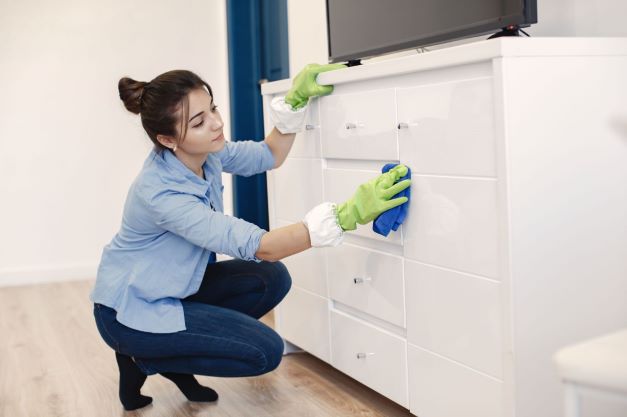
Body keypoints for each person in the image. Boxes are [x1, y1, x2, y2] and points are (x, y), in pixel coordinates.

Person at [90, 63, 411, 410]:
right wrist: (348, 215)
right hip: (130, 311)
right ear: (167, 140)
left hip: (174, 287)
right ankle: (144, 357)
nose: (216, 123)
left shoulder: (205, 153)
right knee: (264, 353)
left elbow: (268, 154)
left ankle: (172, 350)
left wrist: (296, 100)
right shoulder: (162, 194)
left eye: (211, 107)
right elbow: (264, 247)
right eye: (198, 122)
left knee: (269, 279)